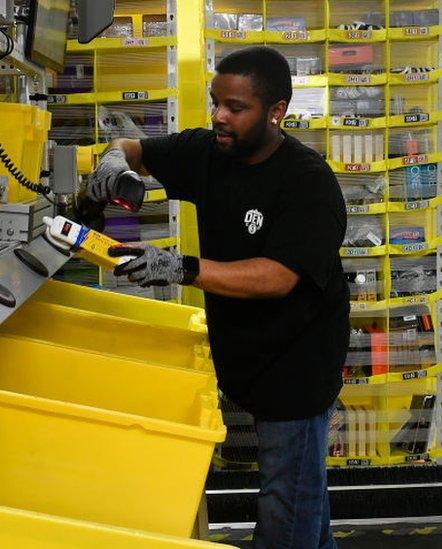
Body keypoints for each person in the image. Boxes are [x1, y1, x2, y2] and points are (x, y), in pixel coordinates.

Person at [86, 46, 348, 549]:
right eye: (215, 102)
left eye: (235, 107)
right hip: (245, 352)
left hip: (299, 361)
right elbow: (134, 147)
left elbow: (278, 277)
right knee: (302, 490)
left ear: (276, 112)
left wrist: (178, 267)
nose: (218, 116)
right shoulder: (210, 151)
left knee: (284, 503)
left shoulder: (307, 181)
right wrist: (116, 158)